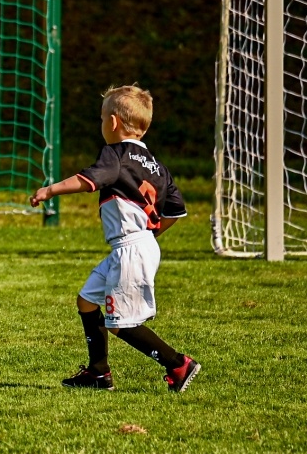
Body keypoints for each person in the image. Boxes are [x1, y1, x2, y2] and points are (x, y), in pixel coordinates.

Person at [29, 84, 201, 392]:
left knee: (121, 323)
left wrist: (50, 190)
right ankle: (98, 373)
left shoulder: (115, 153)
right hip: (137, 245)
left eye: (101, 119)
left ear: (112, 123)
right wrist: (150, 235)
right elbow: (176, 210)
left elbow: (89, 180)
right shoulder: (157, 166)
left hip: (130, 248)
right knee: (87, 300)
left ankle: (178, 364)